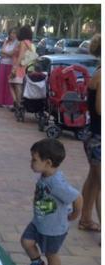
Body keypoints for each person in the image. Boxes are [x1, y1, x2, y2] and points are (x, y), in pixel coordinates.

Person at [21, 138, 83, 265]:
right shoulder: (46, 176)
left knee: (51, 254)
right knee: (26, 241)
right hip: (40, 221)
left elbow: (77, 197)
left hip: (53, 228)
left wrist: (75, 214)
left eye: (34, 160)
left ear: (48, 162)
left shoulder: (56, 184)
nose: (31, 162)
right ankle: (37, 264)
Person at [78, 34, 101, 234]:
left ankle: (85, 219)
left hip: (94, 134)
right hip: (98, 136)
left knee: (94, 179)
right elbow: (100, 108)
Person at [9, 25, 33, 111]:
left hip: (19, 66)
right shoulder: (28, 42)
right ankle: (17, 102)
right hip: (24, 65)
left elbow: (21, 55)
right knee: (14, 83)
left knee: (16, 84)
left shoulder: (23, 43)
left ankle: (18, 103)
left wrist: (15, 67)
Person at [0, 28, 18, 108]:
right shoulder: (6, 41)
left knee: (9, 83)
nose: (13, 35)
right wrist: (7, 54)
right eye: (11, 33)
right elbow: (0, 52)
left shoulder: (17, 43)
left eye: (14, 33)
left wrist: (5, 53)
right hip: (3, 63)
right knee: (1, 82)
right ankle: (0, 101)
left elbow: (13, 54)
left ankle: (9, 102)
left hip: (11, 65)